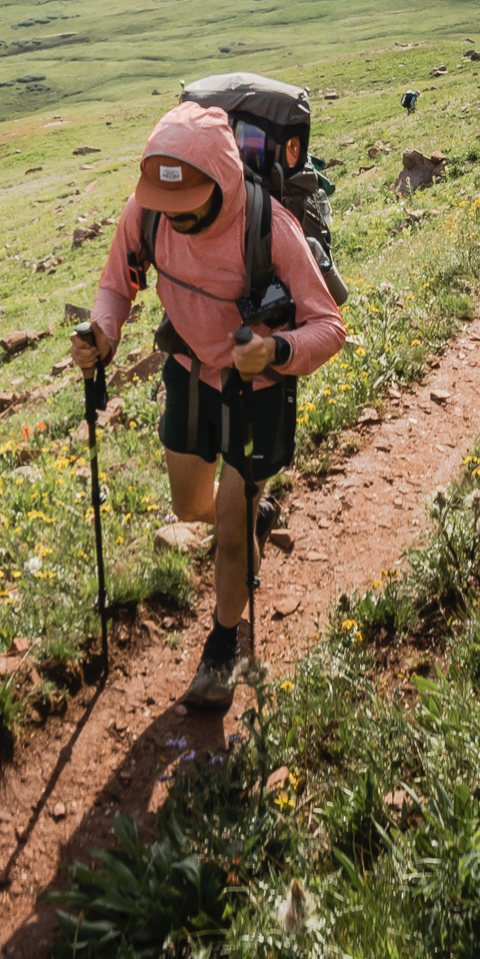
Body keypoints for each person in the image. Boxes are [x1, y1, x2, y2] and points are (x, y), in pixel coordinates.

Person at [71, 102, 344, 710]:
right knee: (191, 508)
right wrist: (103, 335)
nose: (171, 219)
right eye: (162, 205)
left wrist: (275, 350)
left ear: (219, 185)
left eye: (184, 208)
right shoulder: (148, 212)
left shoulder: (270, 228)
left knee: (227, 530)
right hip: (190, 371)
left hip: (259, 389)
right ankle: (254, 516)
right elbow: (118, 283)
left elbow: (329, 326)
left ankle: (221, 649)